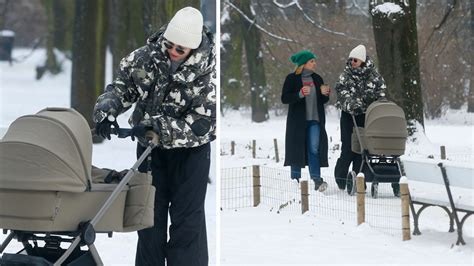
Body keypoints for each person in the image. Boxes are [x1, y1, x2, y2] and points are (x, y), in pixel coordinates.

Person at [92, 7, 215, 266]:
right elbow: (122, 86)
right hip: (151, 151)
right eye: (169, 44)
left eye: (179, 49)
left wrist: (161, 127)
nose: (172, 51)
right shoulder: (147, 57)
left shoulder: (209, 72)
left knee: (187, 222)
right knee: (149, 217)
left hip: (191, 154)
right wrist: (108, 107)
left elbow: (204, 123)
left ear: (192, 48)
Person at [334, 44, 399, 195]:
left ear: (362, 60)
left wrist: (378, 105)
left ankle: (359, 178)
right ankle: (341, 177)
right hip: (349, 116)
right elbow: (342, 93)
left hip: (368, 117)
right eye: (351, 60)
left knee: (362, 149)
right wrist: (352, 104)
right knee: (348, 149)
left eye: (355, 60)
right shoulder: (346, 76)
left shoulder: (374, 77)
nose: (352, 63)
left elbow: (381, 93)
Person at [281, 50, 330, 192]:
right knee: (297, 149)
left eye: (314, 61)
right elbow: (285, 98)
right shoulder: (291, 78)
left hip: (315, 120)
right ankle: (295, 181)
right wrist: (299, 94)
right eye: (312, 61)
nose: (315, 63)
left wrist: (325, 94)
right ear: (303, 64)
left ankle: (317, 180)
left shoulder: (318, 79)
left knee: (314, 149)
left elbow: (323, 100)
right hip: (297, 122)